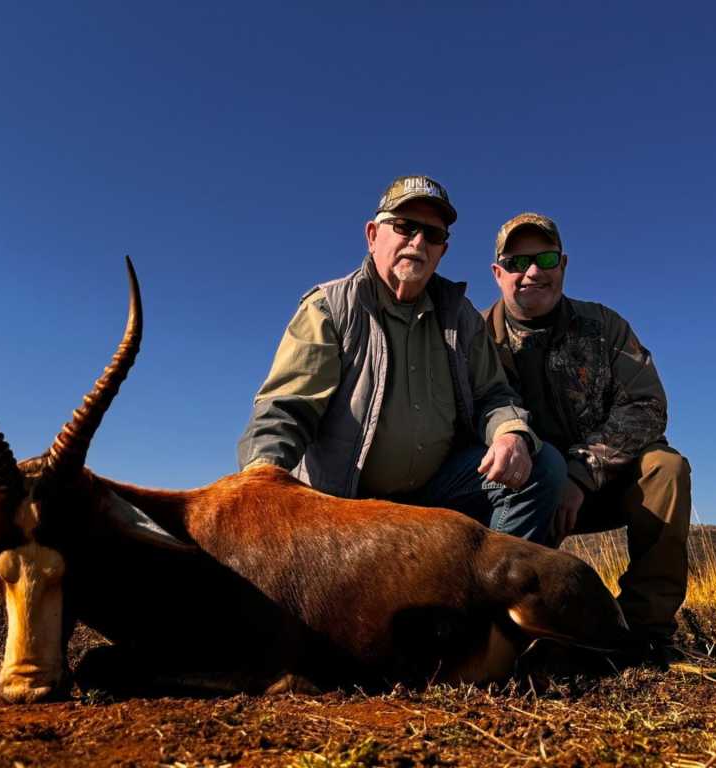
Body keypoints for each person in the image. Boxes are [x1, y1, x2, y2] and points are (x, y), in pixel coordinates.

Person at [238, 176, 566, 544]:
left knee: (542, 466)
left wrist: (510, 433)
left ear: (442, 250)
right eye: (405, 226)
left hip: (435, 495)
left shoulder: (461, 317)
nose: (418, 242)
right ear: (372, 235)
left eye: (433, 234)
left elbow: (493, 395)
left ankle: (490, 581)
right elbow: (287, 409)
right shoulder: (329, 309)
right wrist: (261, 477)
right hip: (344, 504)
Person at [483, 211, 691, 653]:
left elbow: (646, 407)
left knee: (665, 469)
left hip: (600, 486)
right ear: (498, 273)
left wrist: (580, 474)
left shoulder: (604, 327)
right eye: (517, 263)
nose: (532, 272)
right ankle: (503, 628)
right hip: (522, 489)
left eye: (545, 259)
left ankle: (644, 633)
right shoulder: (475, 336)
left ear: (563, 265)